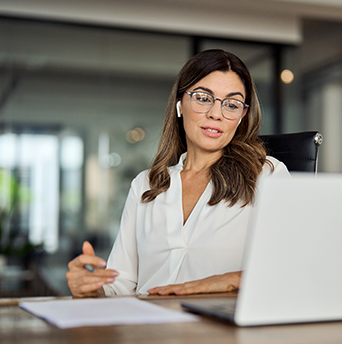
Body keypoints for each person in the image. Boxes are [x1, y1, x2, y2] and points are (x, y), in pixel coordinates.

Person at [66, 49, 289, 297]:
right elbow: (121, 284)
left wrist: (228, 280)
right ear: (180, 104)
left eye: (232, 104)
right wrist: (90, 287)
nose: (216, 114)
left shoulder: (267, 176)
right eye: (204, 98)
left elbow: (293, 266)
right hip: (148, 328)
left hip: (222, 331)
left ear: (242, 116)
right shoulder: (147, 185)